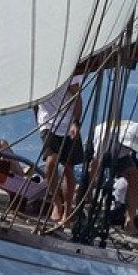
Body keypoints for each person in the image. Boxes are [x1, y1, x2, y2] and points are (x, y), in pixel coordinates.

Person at [34, 75, 85, 221]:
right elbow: (35, 102)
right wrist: (39, 125)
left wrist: (76, 122)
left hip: (67, 125)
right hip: (47, 123)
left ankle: (67, 210)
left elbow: (77, 98)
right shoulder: (40, 74)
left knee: (68, 168)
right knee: (51, 161)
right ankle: (57, 203)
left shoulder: (71, 74)